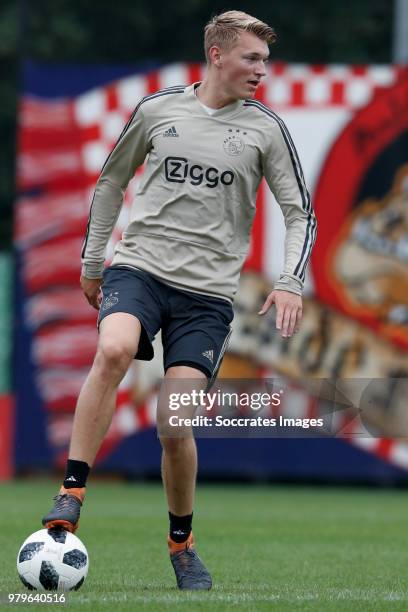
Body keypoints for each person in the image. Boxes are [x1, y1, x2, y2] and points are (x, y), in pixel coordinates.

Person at [42, 10, 317, 590]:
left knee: (174, 423)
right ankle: (71, 491)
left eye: (265, 61)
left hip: (208, 297)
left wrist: (291, 279)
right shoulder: (156, 111)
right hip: (140, 268)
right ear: (216, 55)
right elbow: (111, 181)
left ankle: (181, 542)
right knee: (114, 349)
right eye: (251, 58)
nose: (260, 71)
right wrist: (94, 262)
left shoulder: (266, 129)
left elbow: (299, 212)